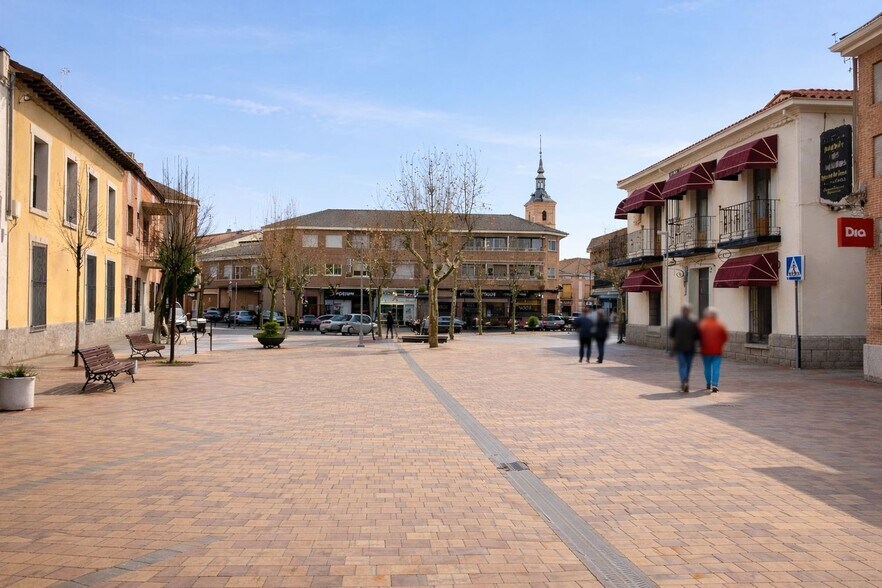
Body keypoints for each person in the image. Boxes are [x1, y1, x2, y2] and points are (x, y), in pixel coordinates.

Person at [669, 303, 699, 393]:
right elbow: (697, 335)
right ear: (690, 311)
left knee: (682, 365)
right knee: (688, 366)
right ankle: (686, 380)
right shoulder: (694, 321)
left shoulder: (676, 320)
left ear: (682, 311)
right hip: (690, 347)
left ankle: (684, 380)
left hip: (680, 347)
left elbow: (671, 334)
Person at [698, 307, 728, 393]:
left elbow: (699, 337)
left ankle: (708, 383)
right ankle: (715, 384)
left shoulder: (703, 325)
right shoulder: (720, 325)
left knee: (707, 367)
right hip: (717, 351)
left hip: (706, 350)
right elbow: (725, 337)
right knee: (716, 367)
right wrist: (720, 344)